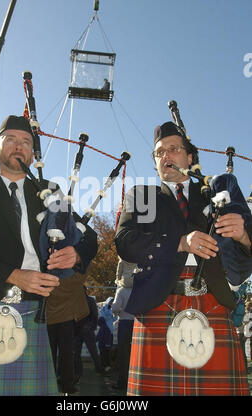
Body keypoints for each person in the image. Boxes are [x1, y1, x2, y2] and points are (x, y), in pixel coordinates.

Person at [0, 115, 97, 396]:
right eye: (11, 140)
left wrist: (75, 254)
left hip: (35, 311)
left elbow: (87, 234)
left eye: (26, 142)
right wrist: (15, 276)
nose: (19, 146)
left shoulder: (50, 192)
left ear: (33, 155)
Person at [115, 121, 252, 396]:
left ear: (190, 157)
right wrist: (178, 243)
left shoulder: (216, 194)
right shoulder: (144, 196)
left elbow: (244, 249)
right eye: (159, 152)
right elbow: (125, 243)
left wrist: (244, 237)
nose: (165, 155)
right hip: (158, 302)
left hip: (214, 300)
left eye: (174, 149)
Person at [110, 257, 135, 393]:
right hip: (137, 323)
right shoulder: (138, 290)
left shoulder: (121, 291)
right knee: (135, 353)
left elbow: (115, 308)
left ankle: (121, 383)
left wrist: (118, 311)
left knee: (123, 354)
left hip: (124, 322)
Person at [73, 286, 103, 383]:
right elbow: (95, 315)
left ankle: (78, 372)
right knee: (91, 351)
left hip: (80, 330)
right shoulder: (88, 300)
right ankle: (98, 370)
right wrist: (92, 327)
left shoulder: (77, 301)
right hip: (84, 329)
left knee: (78, 353)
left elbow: (94, 315)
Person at [96, 297, 115, 372]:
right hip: (105, 334)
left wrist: (115, 315)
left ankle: (107, 366)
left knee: (107, 352)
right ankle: (104, 366)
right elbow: (102, 319)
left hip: (109, 334)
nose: (111, 303)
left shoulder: (111, 310)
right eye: (110, 301)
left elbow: (113, 319)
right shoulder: (103, 309)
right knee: (103, 352)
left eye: (112, 302)